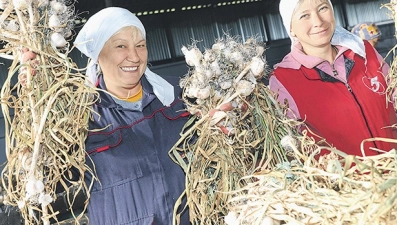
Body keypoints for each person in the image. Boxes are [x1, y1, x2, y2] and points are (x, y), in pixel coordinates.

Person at [71, 7, 190, 225]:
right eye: (121, 46)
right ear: (98, 53)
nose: (134, 56)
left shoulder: (178, 94)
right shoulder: (80, 117)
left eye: (140, 45)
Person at [269, 0, 397, 157]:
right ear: (291, 28)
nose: (318, 21)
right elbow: (290, 144)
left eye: (323, 8)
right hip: (343, 180)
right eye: (304, 15)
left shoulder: (364, 52)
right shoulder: (284, 80)